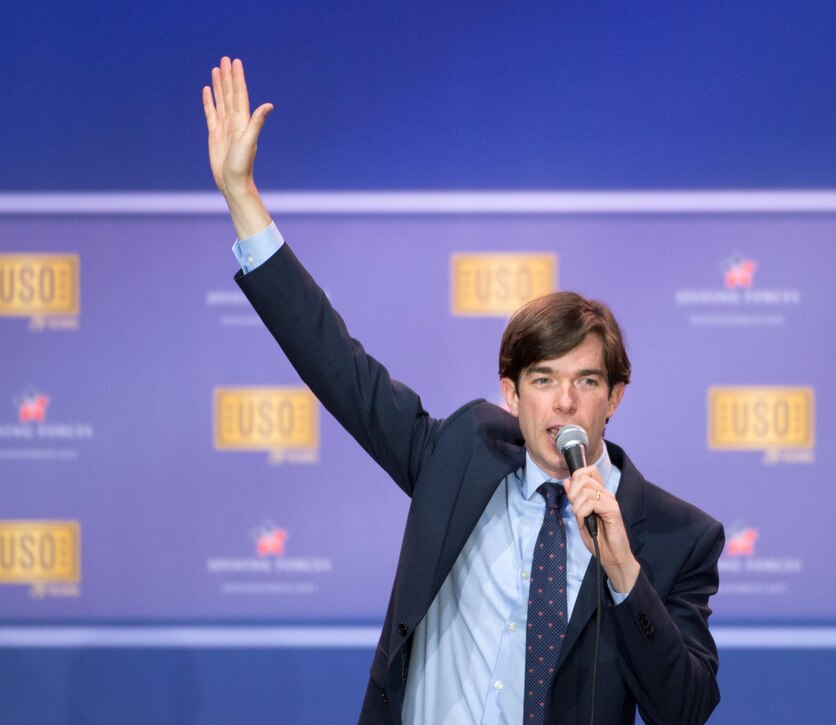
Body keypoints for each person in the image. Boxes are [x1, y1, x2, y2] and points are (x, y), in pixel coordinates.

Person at [203, 56, 724, 725]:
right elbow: (338, 367)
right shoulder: (459, 455)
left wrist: (624, 572)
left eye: (586, 381)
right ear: (511, 392)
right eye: (543, 380)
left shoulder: (678, 535)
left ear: (615, 396)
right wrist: (243, 198)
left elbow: (684, 709)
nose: (564, 402)